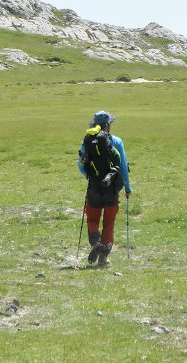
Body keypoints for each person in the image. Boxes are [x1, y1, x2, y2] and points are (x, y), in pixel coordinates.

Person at [77, 110, 131, 267]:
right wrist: (127, 187)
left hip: (94, 187)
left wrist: (91, 176)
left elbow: (81, 166)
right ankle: (103, 258)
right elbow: (122, 166)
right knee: (109, 222)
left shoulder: (87, 141)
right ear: (108, 126)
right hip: (112, 188)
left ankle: (95, 242)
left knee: (93, 219)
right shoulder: (116, 141)